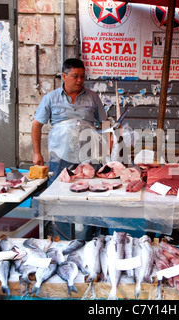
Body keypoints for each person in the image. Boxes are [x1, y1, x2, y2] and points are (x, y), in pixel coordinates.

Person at [31, 58, 108, 240]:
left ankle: (90, 237)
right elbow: (36, 125)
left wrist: (108, 150)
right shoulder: (50, 98)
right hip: (61, 156)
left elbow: (105, 124)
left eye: (82, 76)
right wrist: (36, 152)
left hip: (89, 154)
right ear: (64, 76)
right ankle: (63, 237)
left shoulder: (93, 97)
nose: (80, 80)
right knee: (62, 194)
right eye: (75, 76)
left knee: (92, 192)